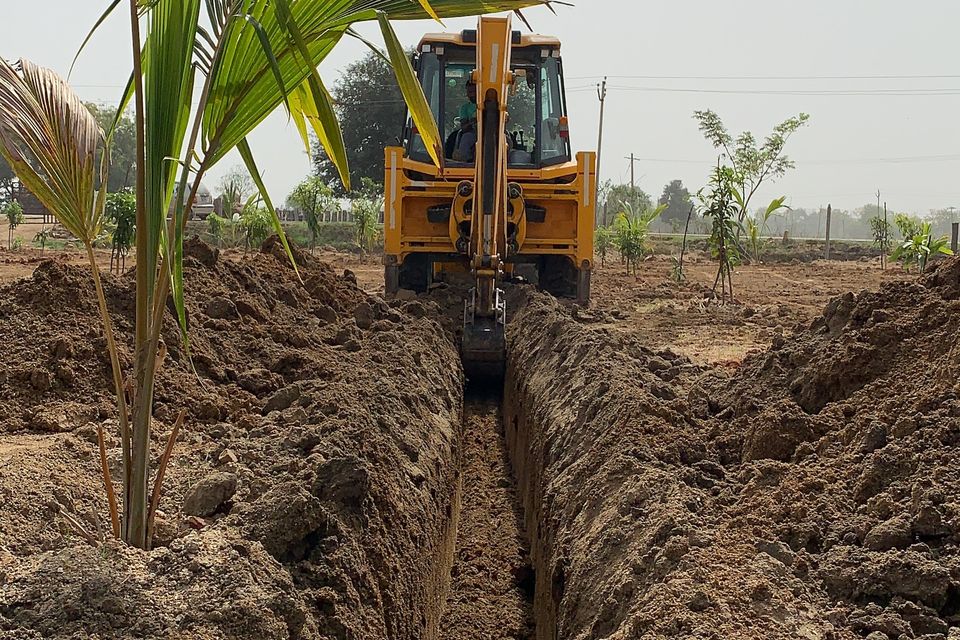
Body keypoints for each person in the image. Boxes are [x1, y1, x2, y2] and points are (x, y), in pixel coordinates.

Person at [453, 80, 478, 162]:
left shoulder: (494, 105)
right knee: (466, 138)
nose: (472, 95)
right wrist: (473, 121)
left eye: (474, 91)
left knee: (506, 139)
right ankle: (464, 161)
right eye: (470, 92)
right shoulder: (465, 108)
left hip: (493, 133)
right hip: (473, 133)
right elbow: (464, 128)